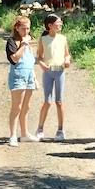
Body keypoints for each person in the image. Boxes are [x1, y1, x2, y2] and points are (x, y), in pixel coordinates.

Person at [35, 13, 71, 141]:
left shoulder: (63, 38)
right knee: (47, 101)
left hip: (60, 71)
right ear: (50, 26)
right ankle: (40, 129)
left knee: (59, 101)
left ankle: (60, 130)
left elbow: (67, 54)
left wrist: (67, 61)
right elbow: (39, 57)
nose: (60, 24)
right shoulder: (43, 39)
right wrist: (42, 64)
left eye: (61, 22)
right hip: (48, 72)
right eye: (58, 22)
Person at [5, 15, 38, 146]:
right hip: (18, 76)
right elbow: (15, 58)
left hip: (29, 75)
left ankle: (24, 134)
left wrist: (34, 77)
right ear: (17, 28)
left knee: (26, 106)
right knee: (16, 107)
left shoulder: (29, 42)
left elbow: (31, 60)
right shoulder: (12, 42)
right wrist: (23, 44)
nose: (26, 32)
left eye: (28, 29)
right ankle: (13, 135)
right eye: (23, 29)